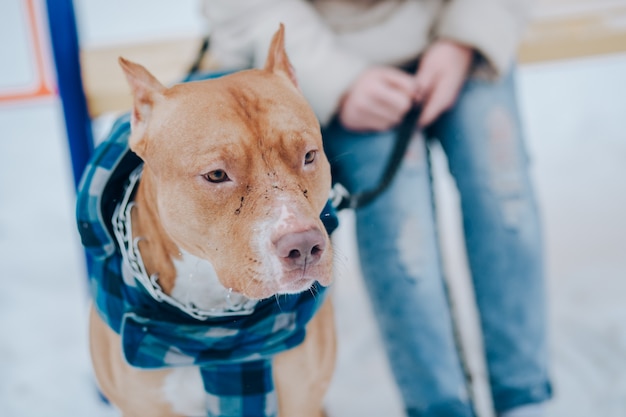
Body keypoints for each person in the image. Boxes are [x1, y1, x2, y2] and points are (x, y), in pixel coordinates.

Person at [201, 1, 553, 416]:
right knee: (403, 228)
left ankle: (524, 397)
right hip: (324, 48)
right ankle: (439, 407)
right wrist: (338, 81)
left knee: (502, 193)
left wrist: (465, 37)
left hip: (456, 22)